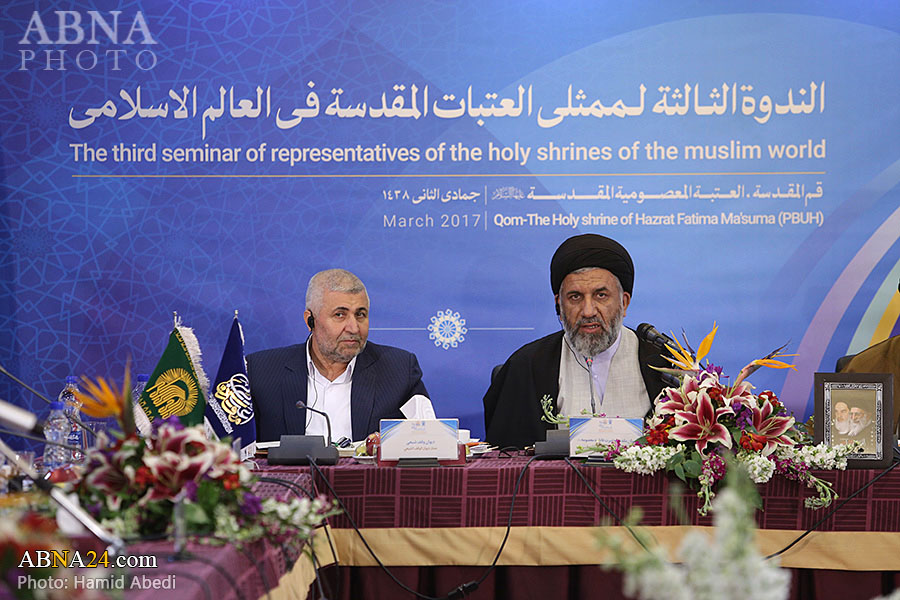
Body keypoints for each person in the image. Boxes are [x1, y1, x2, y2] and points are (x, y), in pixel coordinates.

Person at [483, 234, 669, 449]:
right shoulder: (526, 366)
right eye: (575, 297)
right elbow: (506, 457)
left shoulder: (665, 365)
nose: (588, 311)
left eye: (601, 295)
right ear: (559, 305)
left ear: (624, 302)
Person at [247, 269, 433, 442]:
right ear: (310, 320)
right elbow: (234, 449)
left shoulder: (399, 370)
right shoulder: (260, 371)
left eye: (360, 315)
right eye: (339, 315)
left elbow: (429, 442)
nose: (353, 328)